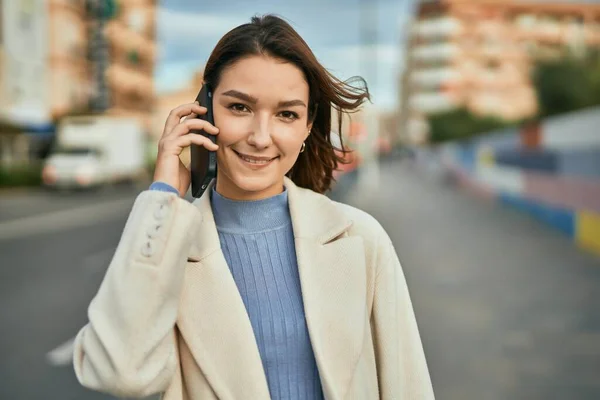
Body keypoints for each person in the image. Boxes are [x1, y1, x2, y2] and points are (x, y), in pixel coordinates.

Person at [72, 14, 434, 400]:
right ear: (205, 110)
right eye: (240, 108)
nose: (261, 137)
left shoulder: (361, 239)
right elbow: (119, 374)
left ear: (309, 125)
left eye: (286, 114)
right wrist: (162, 195)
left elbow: (407, 384)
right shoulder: (168, 250)